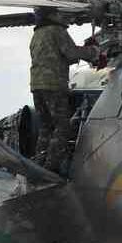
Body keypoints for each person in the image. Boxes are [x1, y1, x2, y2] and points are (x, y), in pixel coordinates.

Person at [30, 11, 101, 174]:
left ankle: (38, 162)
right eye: (61, 14)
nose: (66, 18)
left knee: (46, 126)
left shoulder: (37, 34)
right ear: (53, 15)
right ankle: (51, 167)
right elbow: (71, 53)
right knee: (63, 126)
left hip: (37, 84)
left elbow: (55, 55)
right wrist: (93, 52)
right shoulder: (57, 31)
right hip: (53, 84)